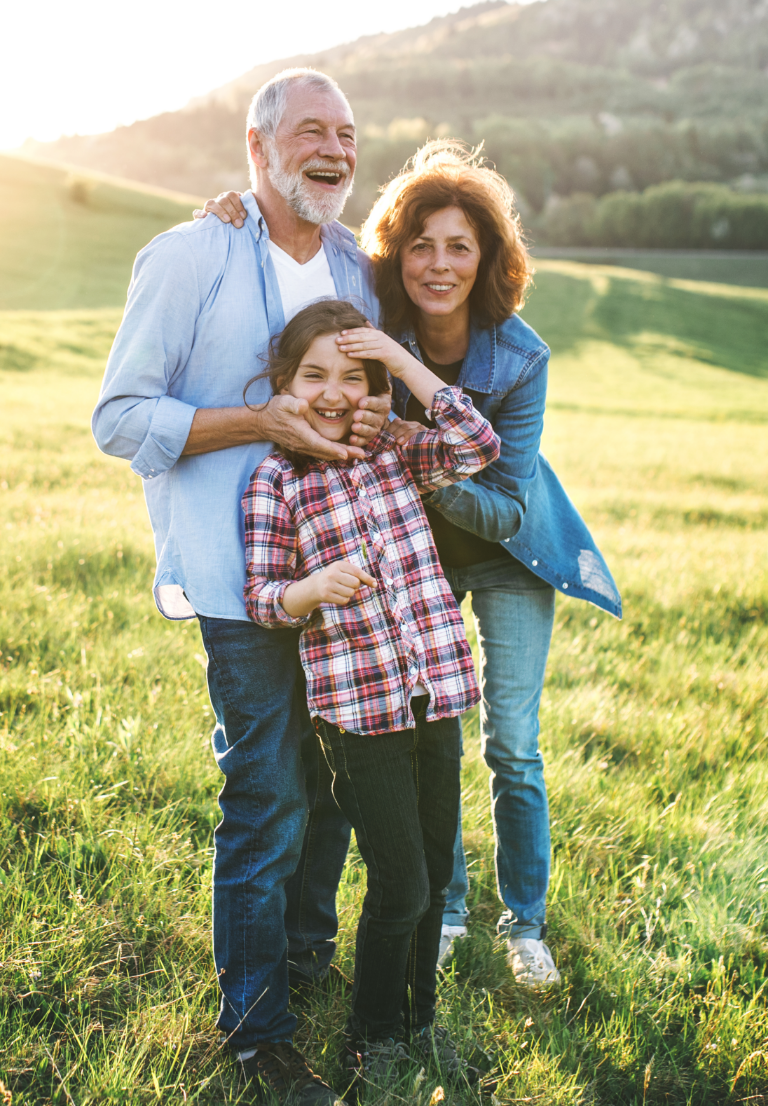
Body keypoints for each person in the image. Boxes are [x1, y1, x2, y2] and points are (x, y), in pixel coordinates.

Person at [201, 142, 621, 990]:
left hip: (503, 548)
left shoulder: (518, 356)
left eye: (460, 246)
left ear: (487, 258)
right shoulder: (368, 324)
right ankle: (447, 908)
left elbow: (499, 491)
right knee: (435, 740)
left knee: (513, 746)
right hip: (413, 563)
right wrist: (234, 211)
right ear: (398, 251)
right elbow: (303, 235)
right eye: (421, 244)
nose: (438, 264)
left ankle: (525, 922)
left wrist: (407, 444)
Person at [92, 68, 392, 1106]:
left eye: (348, 133)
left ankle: (304, 961)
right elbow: (122, 419)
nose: (335, 147)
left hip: (347, 583)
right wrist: (258, 421)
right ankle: (259, 1026)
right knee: (266, 791)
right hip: (241, 581)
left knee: (336, 793)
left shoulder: (361, 267)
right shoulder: (188, 255)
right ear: (257, 150)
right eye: (311, 129)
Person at [241, 298, 499, 1092]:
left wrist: (399, 356)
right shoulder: (275, 481)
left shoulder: (392, 451)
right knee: (404, 883)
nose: (333, 391)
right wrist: (311, 588)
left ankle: (421, 1023)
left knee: (432, 875)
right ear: (284, 383)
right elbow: (260, 596)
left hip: (437, 695)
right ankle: (371, 1038)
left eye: (354, 376)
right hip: (359, 716)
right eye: (314, 374)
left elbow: (474, 444)